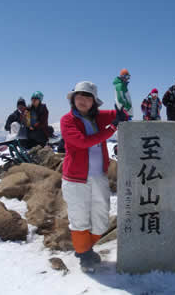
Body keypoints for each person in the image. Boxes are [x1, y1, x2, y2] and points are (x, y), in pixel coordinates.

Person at [60, 81, 127, 272]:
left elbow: (122, 115)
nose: (83, 100)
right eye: (79, 96)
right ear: (73, 99)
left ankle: (85, 248)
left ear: (93, 102)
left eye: (87, 96)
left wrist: (122, 110)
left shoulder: (96, 117)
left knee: (101, 220)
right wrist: (111, 129)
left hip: (98, 176)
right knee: (79, 219)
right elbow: (82, 142)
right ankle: (84, 255)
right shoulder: (67, 120)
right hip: (75, 179)